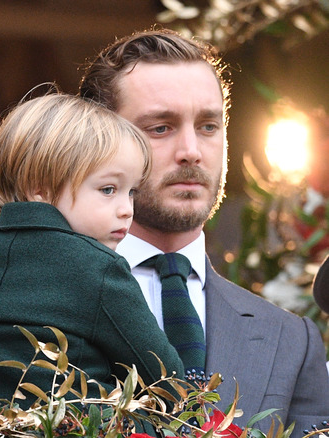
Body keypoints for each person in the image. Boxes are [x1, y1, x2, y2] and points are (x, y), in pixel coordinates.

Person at [79, 28, 329, 430]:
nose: (192, 150)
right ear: (94, 144)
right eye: (161, 127)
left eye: (209, 126)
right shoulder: (34, 308)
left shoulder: (291, 340)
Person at [0, 91, 184, 404]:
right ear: (40, 190)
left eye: (131, 192)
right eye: (108, 189)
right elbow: (167, 382)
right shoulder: (100, 269)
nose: (126, 210)